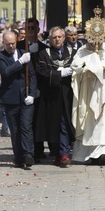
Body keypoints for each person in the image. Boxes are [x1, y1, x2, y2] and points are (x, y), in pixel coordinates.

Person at [70, 10, 105, 165]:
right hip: (87, 93)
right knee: (89, 123)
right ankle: (87, 153)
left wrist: (103, 71)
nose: (95, 42)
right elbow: (75, 67)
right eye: (92, 38)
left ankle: (103, 152)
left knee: (104, 123)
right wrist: (84, 69)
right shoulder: (82, 50)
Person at [0, 31, 37, 169]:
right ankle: (18, 157)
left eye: (13, 43)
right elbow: (5, 72)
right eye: (8, 44)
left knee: (26, 126)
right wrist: (20, 62)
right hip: (10, 98)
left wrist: (32, 93)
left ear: (16, 41)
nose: (11, 46)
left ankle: (29, 154)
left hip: (25, 97)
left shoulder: (24, 53)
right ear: (3, 43)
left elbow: (32, 75)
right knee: (15, 129)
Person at [35, 27, 75, 167]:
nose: (57, 39)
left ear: (64, 38)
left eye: (59, 37)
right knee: (54, 125)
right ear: (49, 39)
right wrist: (60, 74)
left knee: (65, 123)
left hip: (68, 94)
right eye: (54, 37)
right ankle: (58, 152)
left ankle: (64, 153)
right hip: (51, 95)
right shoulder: (43, 54)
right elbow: (42, 71)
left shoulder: (73, 53)